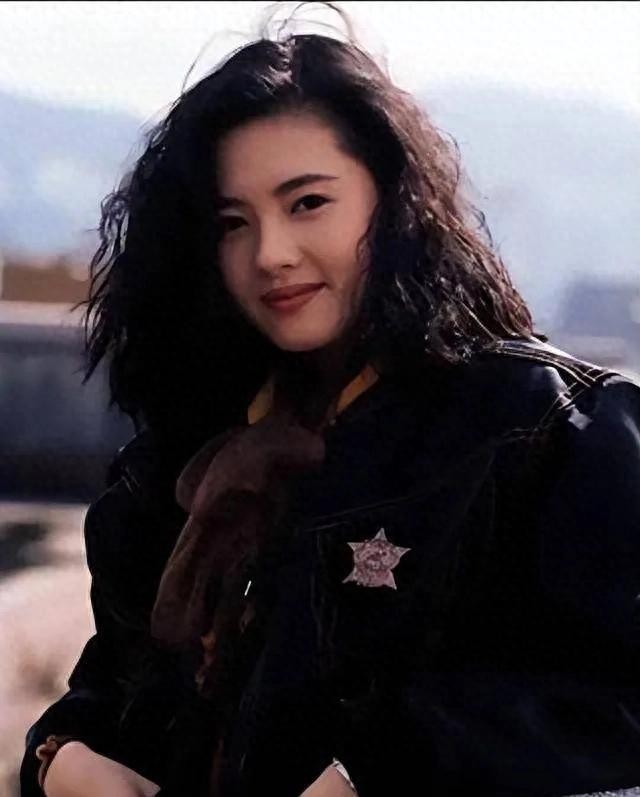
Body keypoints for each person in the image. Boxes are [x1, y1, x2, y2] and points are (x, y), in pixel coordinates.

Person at [20, 3, 640, 796]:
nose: (271, 254)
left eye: (307, 203)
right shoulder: (181, 454)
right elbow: (119, 683)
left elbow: (612, 704)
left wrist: (372, 772)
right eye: (233, 222)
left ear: (395, 202)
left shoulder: (541, 432)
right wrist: (62, 755)